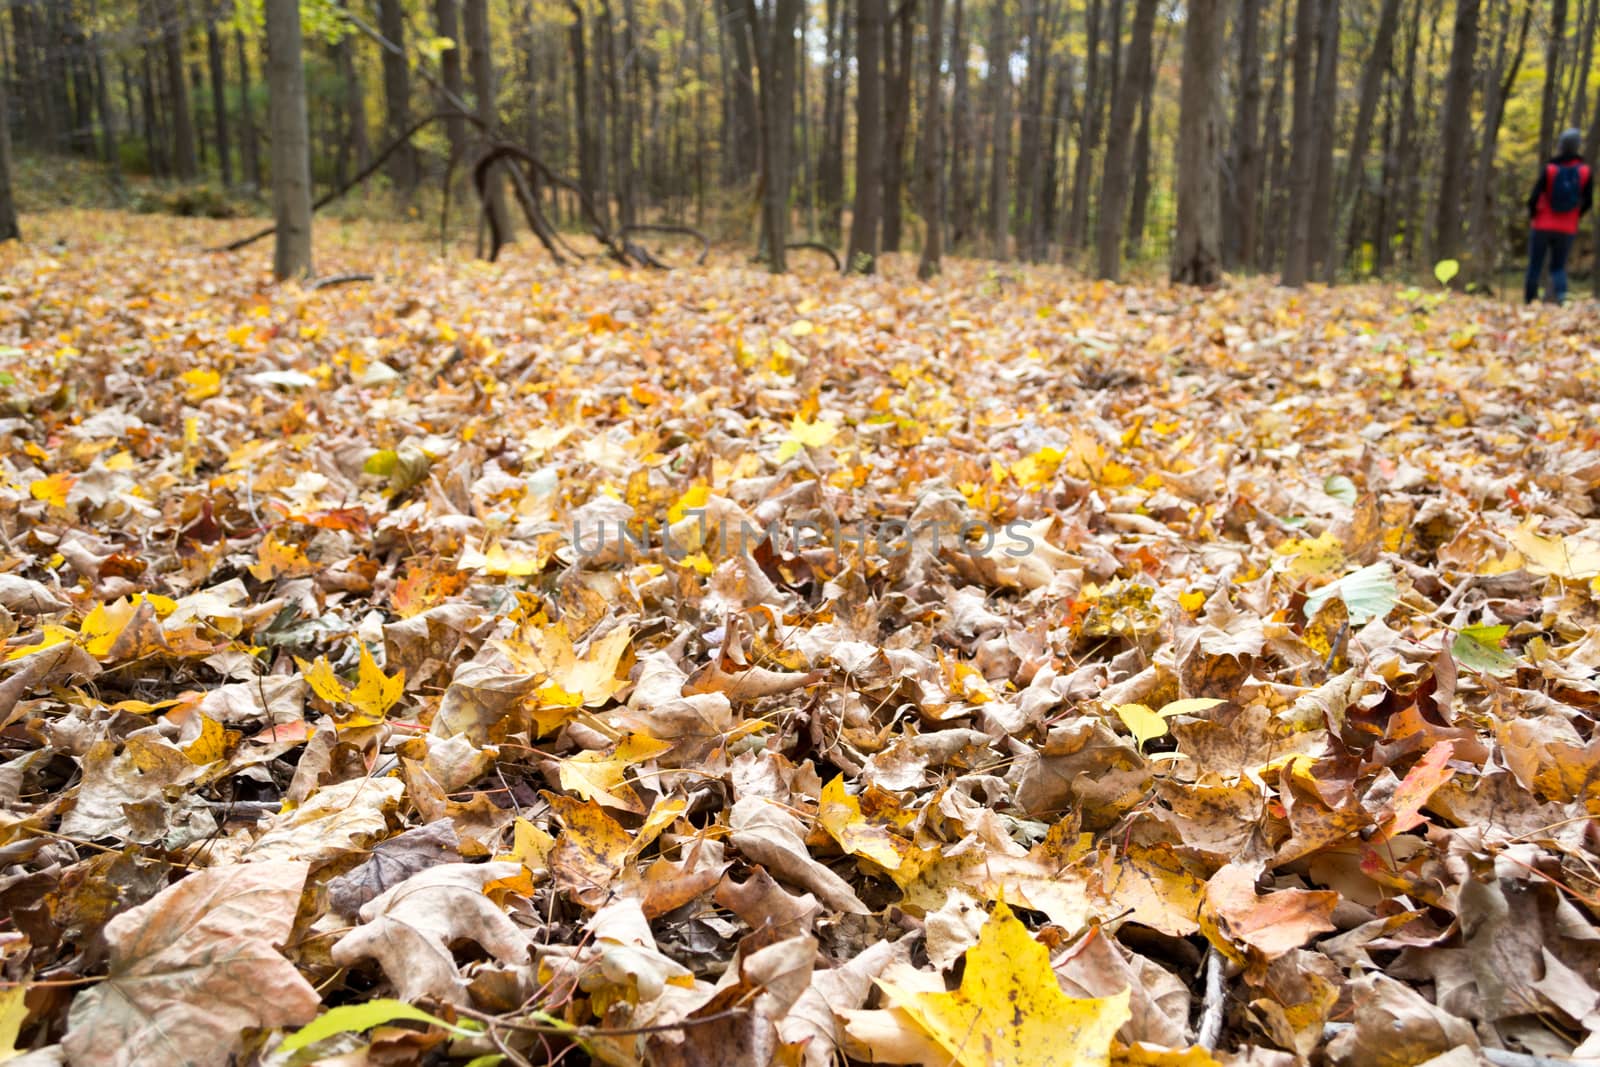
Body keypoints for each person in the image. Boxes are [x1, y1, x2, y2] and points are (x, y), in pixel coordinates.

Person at [1525, 128, 1593, 304]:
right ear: (1578, 146)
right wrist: (1575, 216)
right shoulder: (1584, 171)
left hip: (1542, 224)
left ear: (1561, 146)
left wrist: (1534, 215)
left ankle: (1529, 302)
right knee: (1558, 267)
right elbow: (1588, 201)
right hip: (1567, 226)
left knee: (1535, 265)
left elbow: (1533, 198)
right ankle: (1562, 301)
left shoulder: (1551, 169)